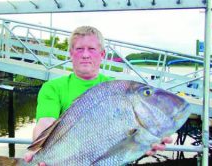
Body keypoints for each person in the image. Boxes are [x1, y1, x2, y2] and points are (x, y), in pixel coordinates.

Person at [24, 26, 172, 165]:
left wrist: (144, 145)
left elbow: (125, 142)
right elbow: (45, 123)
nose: (85, 55)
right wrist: (37, 153)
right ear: (71, 53)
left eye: (92, 49)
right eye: (79, 49)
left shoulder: (116, 90)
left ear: (102, 54)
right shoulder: (53, 87)